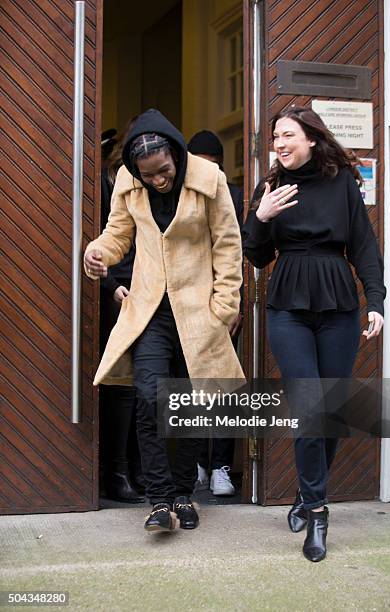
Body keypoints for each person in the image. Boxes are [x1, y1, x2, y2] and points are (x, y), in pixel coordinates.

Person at [84, 108, 244, 533]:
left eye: (163, 171)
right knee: (150, 398)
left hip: (198, 311)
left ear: (176, 154)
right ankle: (158, 501)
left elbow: (228, 245)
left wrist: (224, 306)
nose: (156, 180)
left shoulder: (209, 182)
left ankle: (183, 493)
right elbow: (118, 234)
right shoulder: (127, 182)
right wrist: (97, 252)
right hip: (150, 310)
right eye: (147, 175)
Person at [242, 106, 385, 562]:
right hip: (288, 303)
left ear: (311, 139)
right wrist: (261, 217)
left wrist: (378, 302)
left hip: (338, 302)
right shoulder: (270, 188)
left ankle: (307, 496)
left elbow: (363, 245)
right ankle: (318, 512)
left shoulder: (342, 180)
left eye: (287, 136)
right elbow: (256, 256)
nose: (278, 145)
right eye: (275, 138)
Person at [187, 130, 244, 496]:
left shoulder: (234, 196)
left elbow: (239, 251)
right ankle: (195, 464)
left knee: (222, 390)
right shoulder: (180, 196)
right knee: (190, 389)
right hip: (188, 304)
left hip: (224, 304)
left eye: (213, 166)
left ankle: (221, 465)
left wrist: (235, 301)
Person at [99, 121, 144, 504]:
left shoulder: (159, 184)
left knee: (150, 386)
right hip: (120, 293)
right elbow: (100, 239)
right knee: (122, 388)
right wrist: (111, 286)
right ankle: (116, 474)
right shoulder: (107, 182)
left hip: (153, 292)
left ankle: (139, 469)